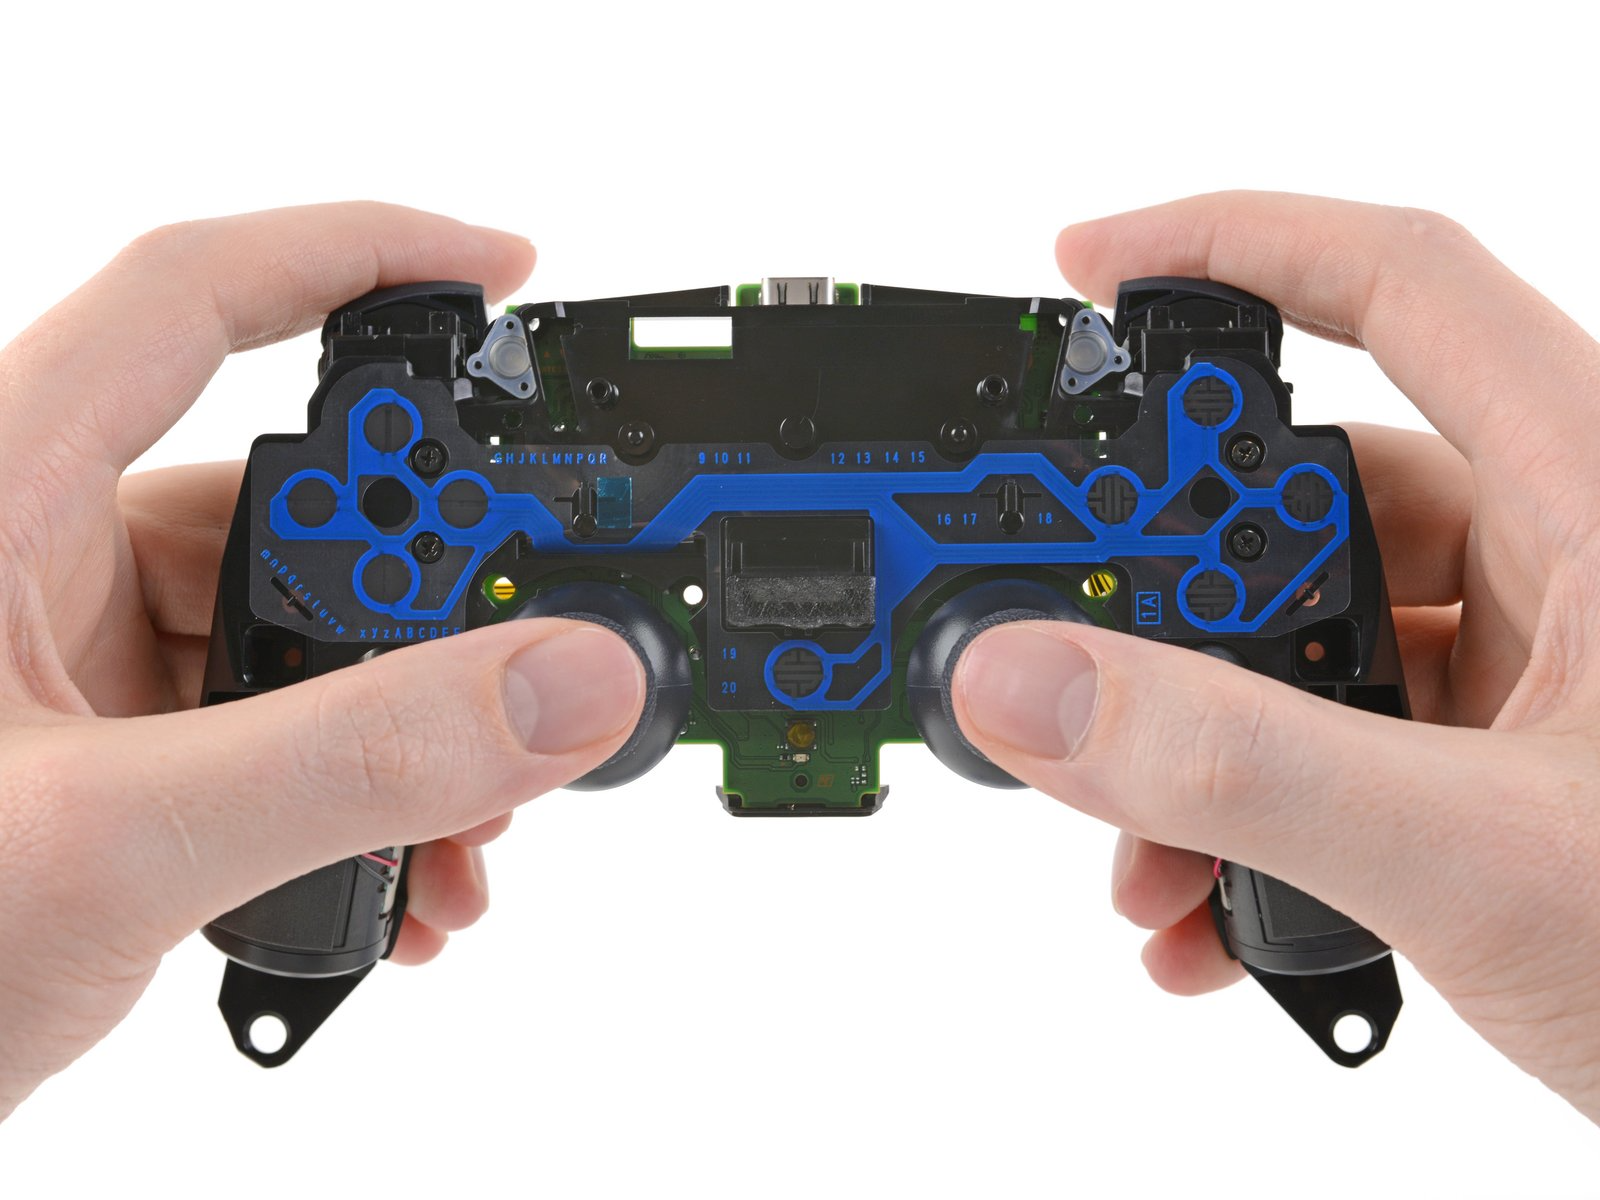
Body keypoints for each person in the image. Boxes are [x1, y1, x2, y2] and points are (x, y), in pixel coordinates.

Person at [0, 194, 1593, 1124]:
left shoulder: (391, 518)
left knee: (381, 480)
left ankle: (296, 929)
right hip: (1139, 524)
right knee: (1222, 474)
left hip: (494, 532)